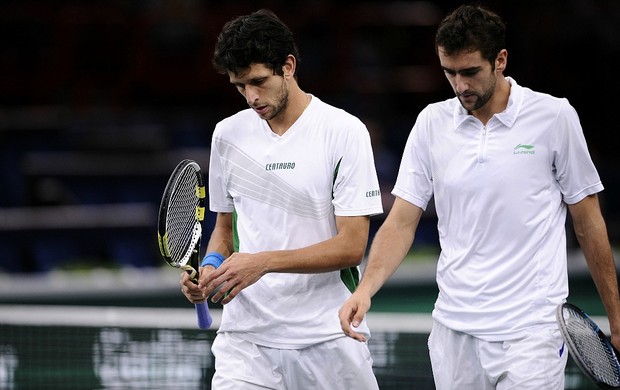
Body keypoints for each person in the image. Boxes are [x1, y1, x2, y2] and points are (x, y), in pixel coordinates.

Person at [338, 4, 620, 389]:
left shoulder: (554, 117)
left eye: (470, 72)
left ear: (500, 59)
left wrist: (617, 320)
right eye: (449, 73)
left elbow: (588, 222)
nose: (460, 85)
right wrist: (365, 289)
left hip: (531, 331)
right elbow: (402, 220)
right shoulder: (430, 123)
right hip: (453, 330)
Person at [180, 9, 383, 389]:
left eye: (258, 81)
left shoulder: (343, 131)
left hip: (328, 334)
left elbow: (352, 247)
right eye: (240, 86)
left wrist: (264, 263)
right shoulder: (227, 135)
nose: (251, 97)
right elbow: (225, 230)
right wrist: (210, 269)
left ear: (288, 66)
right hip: (247, 342)